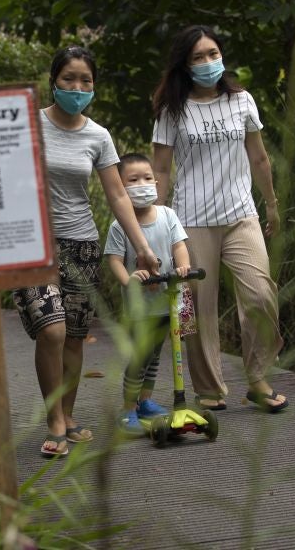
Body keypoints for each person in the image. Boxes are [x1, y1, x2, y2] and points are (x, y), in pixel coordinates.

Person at [13, 47, 160, 457]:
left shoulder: (98, 136)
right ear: (53, 81)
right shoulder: (27, 123)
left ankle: (69, 413)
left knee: (75, 337)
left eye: (86, 81)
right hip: (34, 244)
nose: (77, 88)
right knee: (53, 329)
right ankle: (54, 418)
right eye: (68, 79)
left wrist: (143, 247)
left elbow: (117, 195)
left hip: (81, 244)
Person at [151, 25, 289, 413]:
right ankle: (209, 389)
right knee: (197, 307)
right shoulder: (171, 110)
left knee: (261, 294)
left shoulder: (242, 101)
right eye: (198, 57)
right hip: (191, 220)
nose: (208, 62)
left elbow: (259, 158)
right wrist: (158, 223)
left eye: (213, 54)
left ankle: (258, 378)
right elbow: (160, 170)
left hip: (240, 214)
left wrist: (272, 204)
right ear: (185, 64)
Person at [103, 153, 191, 435]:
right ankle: (128, 407)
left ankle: (145, 400)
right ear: (122, 187)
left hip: (167, 302)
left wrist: (183, 265)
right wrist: (128, 280)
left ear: (155, 181)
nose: (142, 184)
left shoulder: (167, 215)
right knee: (140, 356)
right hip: (140, 308)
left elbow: (178, 245)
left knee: (155, 356)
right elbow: (114, 260)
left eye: (146, 178)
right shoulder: (120, 225)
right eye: (133, 180)